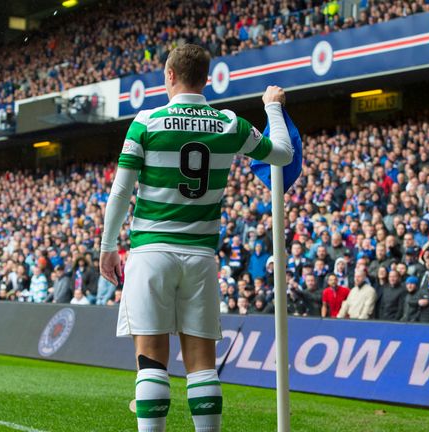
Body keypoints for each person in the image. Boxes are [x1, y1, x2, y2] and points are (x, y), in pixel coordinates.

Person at [99, 44, 293, 432]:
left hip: (151, 251)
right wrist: (273, 107)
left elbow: (121, 192)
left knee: (151, 356)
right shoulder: (230, 123)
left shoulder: (146, 122)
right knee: (202, 361)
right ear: (207, 79)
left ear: (169, 75)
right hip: (201, 255)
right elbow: (283, 154)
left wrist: (107, 247)